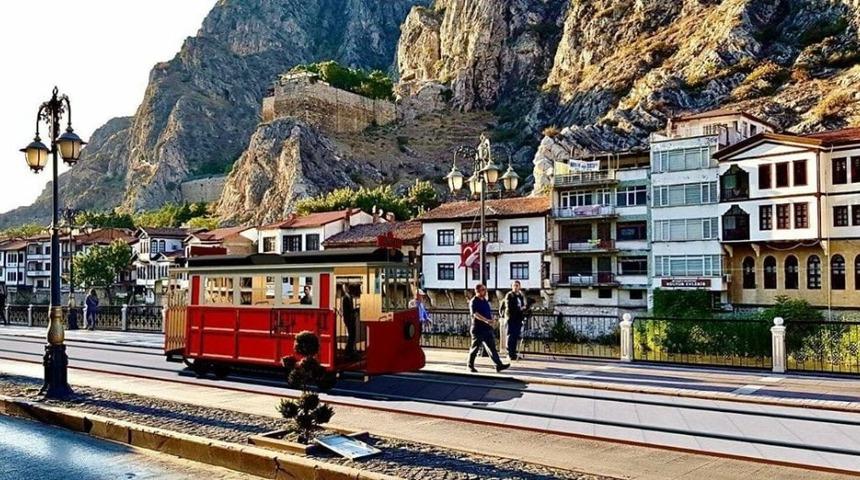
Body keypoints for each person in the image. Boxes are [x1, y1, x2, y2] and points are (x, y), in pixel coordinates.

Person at [467, 284, 509, 373]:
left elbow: (487, 313)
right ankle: (470, 366)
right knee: (475, 348)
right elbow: (475, 314)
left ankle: (499, 365)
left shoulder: (485, 301)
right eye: (483, 290)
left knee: (492, 348)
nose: (485, 291)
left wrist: (491, 320)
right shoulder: (474, 301)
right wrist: (486, 320)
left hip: (487, 328)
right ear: (477, 291)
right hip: (478, 329)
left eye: (485, 289)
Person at [501, 281, 526, 361]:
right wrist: (520, 308)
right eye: (514, 285)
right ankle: (509, 354)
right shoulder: (509, 295)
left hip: (518, 318)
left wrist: (524, 309)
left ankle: (514, 354)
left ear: (519, 287)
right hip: (511, 318)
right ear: (512, 287)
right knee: (511, 336)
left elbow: (522, 306)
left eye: (517, 285)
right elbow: (509, 307)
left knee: (515, 336)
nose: (515, 287)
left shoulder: (520, 296)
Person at [341, 284, 357, 356]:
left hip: (351, 318)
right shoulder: (345, 298)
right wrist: (354, 310)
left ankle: (349, 350)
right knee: (351, 335)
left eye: (345, 288)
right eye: (343, 288)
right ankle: (348, 351)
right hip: (348, 319)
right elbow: (347, 310)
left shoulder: (349, 297)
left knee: (352, 335)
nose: (344, 289)